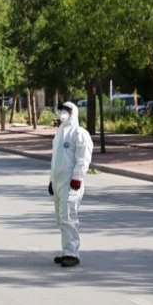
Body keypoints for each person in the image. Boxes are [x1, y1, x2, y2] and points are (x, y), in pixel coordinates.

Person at [49, 101, 92, 267]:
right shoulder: (59, 133)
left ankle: (72, 254)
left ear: (73, 112)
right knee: (61, 218)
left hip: (71, 184)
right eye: (62, 109)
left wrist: (78, 177)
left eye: (67, 110)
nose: (63, 113)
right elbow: (55, 161)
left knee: (69, 217)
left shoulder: (79, 133)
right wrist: (51, 181)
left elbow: (83, 158)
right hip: (59, 183)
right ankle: (66, 251)